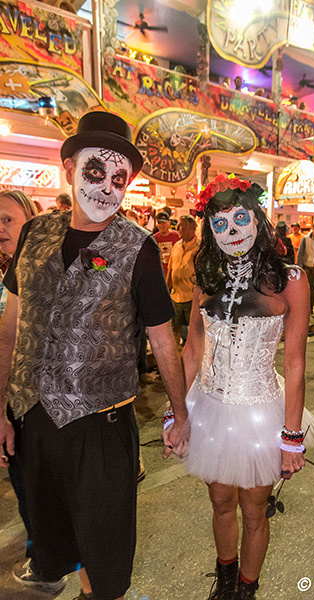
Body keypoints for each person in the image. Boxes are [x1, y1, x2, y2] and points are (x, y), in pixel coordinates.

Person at [0, 111, 187, 600]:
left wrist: (180, 412)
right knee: (54, 537)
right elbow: (8, 332)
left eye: (119, 177)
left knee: (105, 554)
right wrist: (1, 409)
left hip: (99, 426)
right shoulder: (35, 233)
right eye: (95, 172)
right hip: (31, 418)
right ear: (69, 166)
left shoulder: (139, 248)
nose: (106, 186)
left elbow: (164, 340)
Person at [168, 174, 314, 600]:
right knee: (220, 503)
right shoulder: (206, 275)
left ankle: (247, 590)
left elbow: (294, 362)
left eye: (239, 219)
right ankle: (225, 580)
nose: (231, 231)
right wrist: (177, 413)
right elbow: (193, 349)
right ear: (209, 230)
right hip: (211, 406)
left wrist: (292, 436)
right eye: (219, 224)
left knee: (255, 509)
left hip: (260, 411)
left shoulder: (289, 278)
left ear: (257, 217)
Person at [0, 192, 62, 592]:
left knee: (36, 482)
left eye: (7, 219)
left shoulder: (42, 268)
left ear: (33, 221)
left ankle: (48, 559)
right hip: (7, 393)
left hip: (35, 395)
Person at [166, 215, 199, 345]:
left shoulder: (199, 247)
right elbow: (170, 269)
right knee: (174, 329)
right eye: (179, 227)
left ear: (192, 229)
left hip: (191, 297)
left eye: (182, 227)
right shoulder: (176, 246)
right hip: (176, 296)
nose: (179, 230)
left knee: (193, 332)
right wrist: (166, 290)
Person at [154, 211, 180, 276]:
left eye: (164, 222)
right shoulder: (154, 238)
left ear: (169, 223)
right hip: (160, 274)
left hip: (174, 273)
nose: (161, 225)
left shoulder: (177, 236)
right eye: (159, 223)